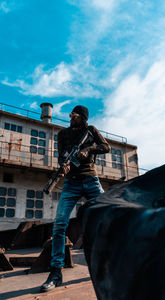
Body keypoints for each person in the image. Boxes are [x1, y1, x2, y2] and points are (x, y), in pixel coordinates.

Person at [40, 105, 110, 293]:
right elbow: (61, 158)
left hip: (90, 179)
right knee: (59, 223)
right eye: (71, 115)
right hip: (71, 183)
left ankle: (109, 264)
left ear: (83, 118)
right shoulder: (63, 135)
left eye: (75, 116)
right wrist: (64, 167)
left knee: (108, 214)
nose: (71, 118)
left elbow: (106, 147)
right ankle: (56, 272)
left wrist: (89, 151)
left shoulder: (91, 131)